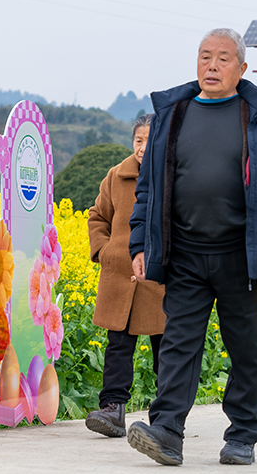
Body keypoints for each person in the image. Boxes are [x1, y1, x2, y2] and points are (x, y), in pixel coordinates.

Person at [126, 28, 257, 466]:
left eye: (223, 58)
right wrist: (140, 242)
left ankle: (242, 434)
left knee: (246, 348)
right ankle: (167, 430)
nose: (212, 65)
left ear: (242, 68)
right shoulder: (172, 114)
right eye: (205, 56)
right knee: (178, 343)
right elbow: (148, 188)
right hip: (184, 253)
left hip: (242, 254)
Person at [85, 114, 165, 438]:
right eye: (138, 140)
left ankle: (166, 415)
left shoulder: (173, 176)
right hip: (119, 276)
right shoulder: (116, 176)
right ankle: (112, 409)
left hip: (158, 278)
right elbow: (97, 217)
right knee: (117, 346)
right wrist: (105, 251)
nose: (142, 147)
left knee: (165, 348)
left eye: (149, 140)